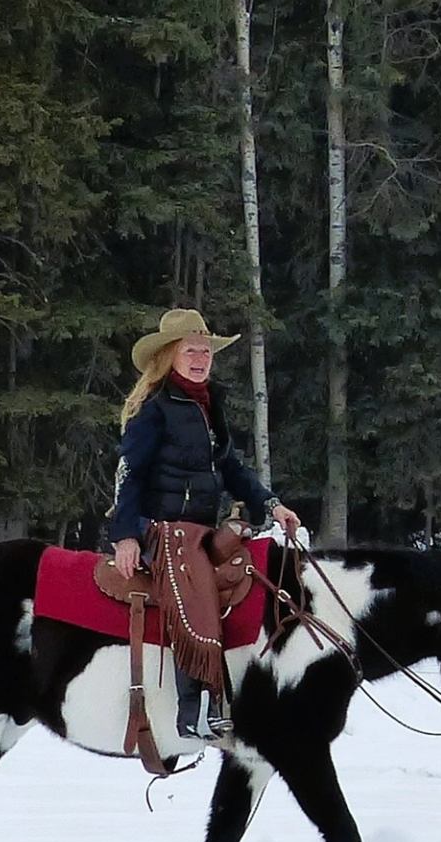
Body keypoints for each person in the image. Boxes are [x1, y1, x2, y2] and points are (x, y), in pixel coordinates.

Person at [106, 308, 303, 741]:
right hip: (163, 527)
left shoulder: (209, 403)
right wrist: (124, 535)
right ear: (170, 356)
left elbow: (230, 467)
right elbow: (129, 473)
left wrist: (271, 505)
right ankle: (195, 708)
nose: (200, 358)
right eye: (190, 350)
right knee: (193, 591)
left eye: (205, 351)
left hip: (202, 529)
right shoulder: (155, 410)